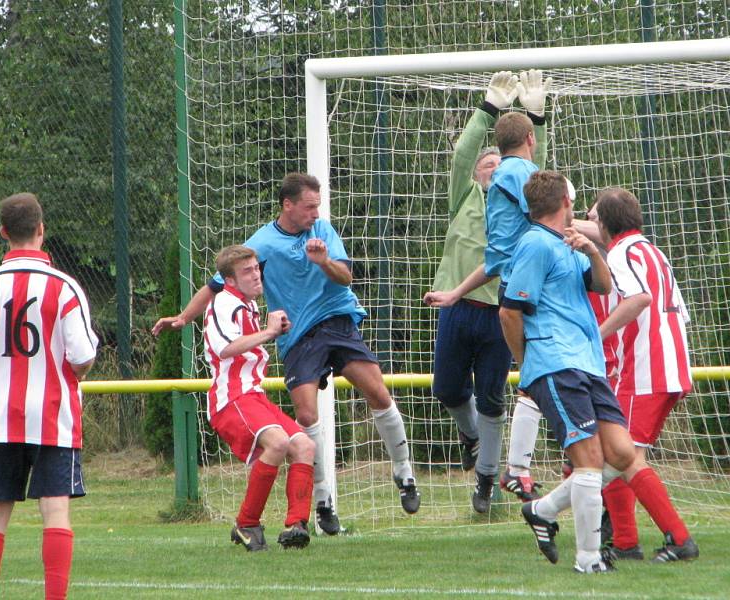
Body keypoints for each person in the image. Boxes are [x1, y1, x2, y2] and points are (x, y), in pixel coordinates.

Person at [153, 173, 419, 534]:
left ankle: (403, 472)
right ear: (288, 205)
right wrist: (184, 317)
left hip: (336, 321)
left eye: (317, 206)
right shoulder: (261, 243)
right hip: (298, 334)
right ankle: (324, 501)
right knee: (306, 414)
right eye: (309, 207)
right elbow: (216, 284)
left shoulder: (322, 231)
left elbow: (346, 278)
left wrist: (324, 261)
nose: (315, 213)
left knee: (377, 391)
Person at [498, 171, 697, 573]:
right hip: (558, 364)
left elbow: (605, 289)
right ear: (565, 205)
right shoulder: (535, 244)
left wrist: (591, 251)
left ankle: (543, 511)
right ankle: (590, 559)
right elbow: (509, 311)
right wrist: (529, 363)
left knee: (621, 453)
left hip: (589, 366)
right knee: (588, 459)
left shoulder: (571, 245)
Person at [0, 193, 99, 600]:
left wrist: (1, 373)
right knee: (55, 509)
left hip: (1, 415)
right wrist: (70, 372)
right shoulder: (65, 286)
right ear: (41, 229)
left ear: (3, 233)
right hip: (54, 413)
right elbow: (83, 356)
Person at [423, 69, 551, 512]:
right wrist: (488, 109)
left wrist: (537, 119)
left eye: (503, 163)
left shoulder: (519, 191)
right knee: (447, 389)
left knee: (493, 397)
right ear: (478, 174)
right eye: (489, 164)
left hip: (501, 306)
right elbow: (462, 154)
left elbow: (538, 181)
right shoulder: (465, 199)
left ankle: (486, 481)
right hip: (459, 307)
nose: (498, 169)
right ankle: (472, 437)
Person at [593, 188, 696, 562]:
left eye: (593, 219)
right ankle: (625, 542)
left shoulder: (620, 253)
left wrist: (599, 333)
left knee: (623, 455)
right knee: (616, 452)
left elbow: (639, 299)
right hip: (671, 365)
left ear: (604, 224)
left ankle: (679, 539)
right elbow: (680, 312)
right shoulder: (651, 251)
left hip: (645, 369)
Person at [203, 245, 315, 551]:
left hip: (252, 395)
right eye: (246, 272)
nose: (256, 275)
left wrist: (272, 331)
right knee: (278, 443)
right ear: (230, 280)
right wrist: (267, 333)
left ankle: (296, 526)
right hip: (231, 397)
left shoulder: (247, 304)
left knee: (304, 445)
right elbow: (224, 348)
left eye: (256, 269)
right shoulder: (223, 303)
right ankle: (246, 523)